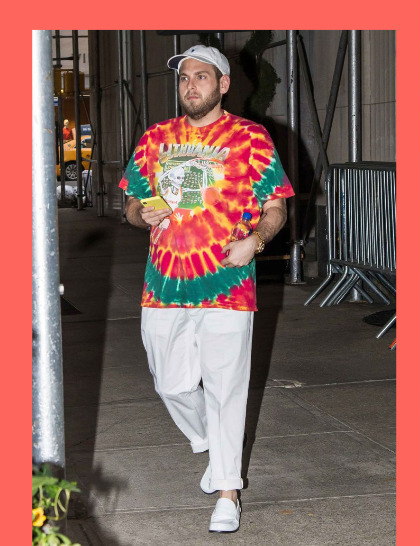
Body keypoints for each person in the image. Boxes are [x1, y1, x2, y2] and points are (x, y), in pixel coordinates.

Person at [119, 44, 294, 533]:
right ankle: (215, 451)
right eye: (183, 79)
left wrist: (255, 241)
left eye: (201, 76)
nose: (190, 86)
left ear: (222, 84)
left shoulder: (251, 138)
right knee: (170, 384)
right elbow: (131, 205)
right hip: (164, 285)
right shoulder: (156, 138)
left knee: (226, 390)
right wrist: (141, 214)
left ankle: (227, 493)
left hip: (229, 286)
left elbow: (276, 208)